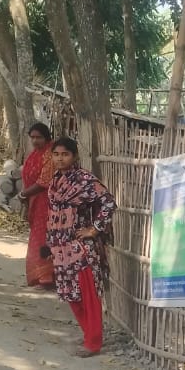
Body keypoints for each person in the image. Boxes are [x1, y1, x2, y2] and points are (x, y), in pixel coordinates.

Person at [44, 136, 115, 356]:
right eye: (56, 154)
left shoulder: (84, 180)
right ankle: (88, 335)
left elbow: (109, 202)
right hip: (60, 248)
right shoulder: (55, 180)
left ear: (74, 156)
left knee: (88, 294)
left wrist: (93, 229)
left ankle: (93, 343)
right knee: (70, 293)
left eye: (65, 154)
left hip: (80, 248)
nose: (60, 159)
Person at [19, 122, 55, 287]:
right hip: (36, 201)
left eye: (38, 137)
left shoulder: (50, 153)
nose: (35, 140)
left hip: (49, 201)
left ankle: (48, 274)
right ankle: (42, 273)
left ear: (46, 137)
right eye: (32, 137)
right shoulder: (36, 153)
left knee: (45, 236)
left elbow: (44, 181)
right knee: (39, 235)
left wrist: (23, 194)